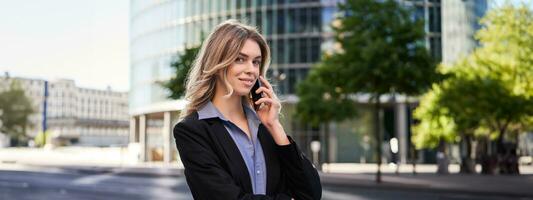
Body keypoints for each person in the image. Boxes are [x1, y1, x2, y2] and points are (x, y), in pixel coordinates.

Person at [173, 20, 321, 200]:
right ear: (218, 61)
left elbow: (311, 193)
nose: (251, 70)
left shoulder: (265, 127)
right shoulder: (192, 130)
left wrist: (275, 127)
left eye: (256, 62)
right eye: (240, 59)